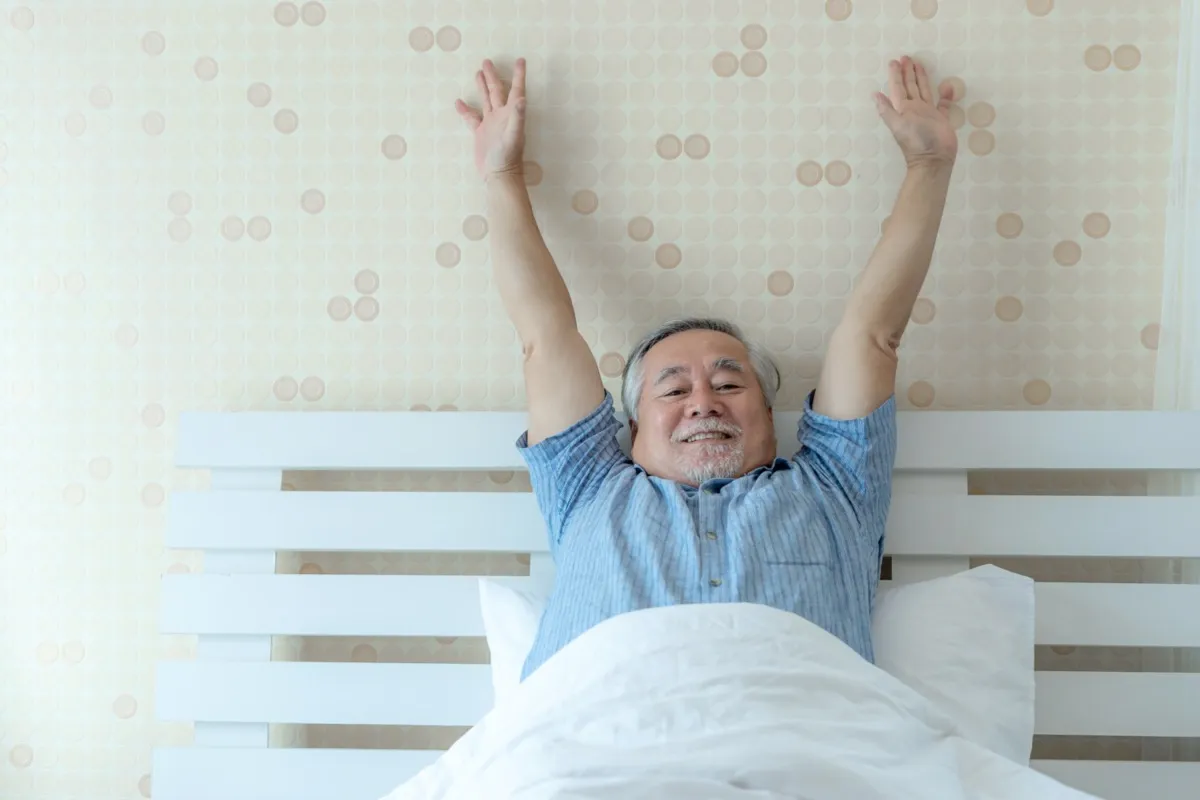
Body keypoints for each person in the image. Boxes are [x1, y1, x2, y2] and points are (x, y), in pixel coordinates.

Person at [454, 54, 957, 681]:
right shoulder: (587, 487)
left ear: (771, 421)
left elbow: (873, 337)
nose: (702, 402)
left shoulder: (836, 487)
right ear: (631, 430)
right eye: (672, 388)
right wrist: (501, 175)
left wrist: (929, 166)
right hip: (601, 752)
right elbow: (543, 336)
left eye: (728, 383)